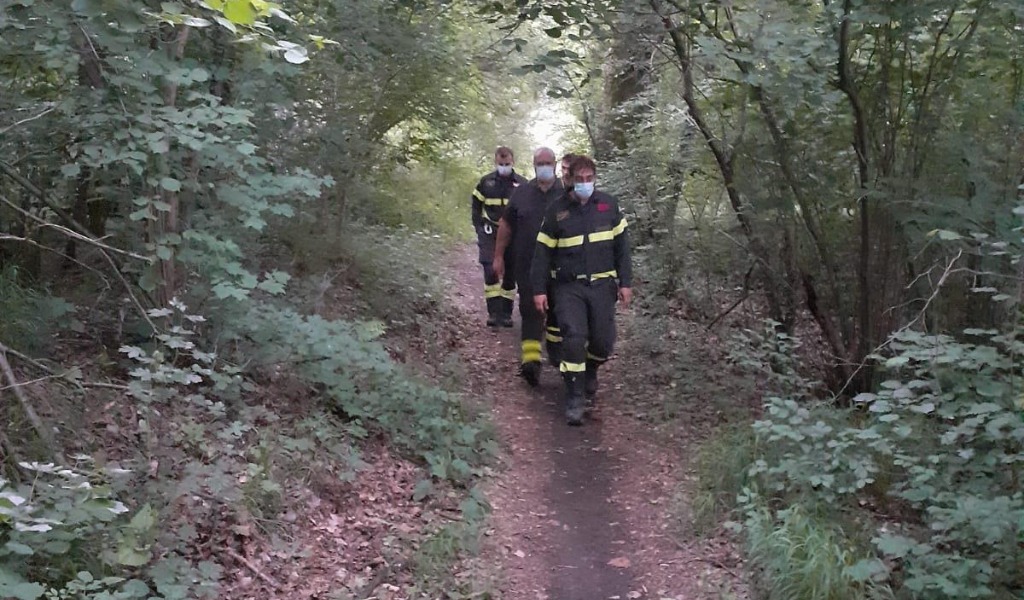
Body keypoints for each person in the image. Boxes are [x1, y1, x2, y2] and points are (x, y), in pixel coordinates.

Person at [531, 155, 633, 425]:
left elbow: (623, 248)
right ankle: (575, 396)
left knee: (603, 341)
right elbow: (541, 254)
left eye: (589, 179)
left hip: (602, 286)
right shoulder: (557, 210)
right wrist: (539, 290)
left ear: (595, 179)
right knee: (574, 338)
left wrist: (626, 282)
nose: (585, 184)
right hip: (568, 287)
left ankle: (590, 371)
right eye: (580, 180)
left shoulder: (608, 206)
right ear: (570, 181)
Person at [493, 147, 564, 387]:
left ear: (554, 164)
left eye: (547, 162)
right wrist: (499, 256)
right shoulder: (521, 193)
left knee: (557, 311)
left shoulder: (567, 193)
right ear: (533, 165)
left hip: (561, 266)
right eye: (539, 163)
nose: (543, 166)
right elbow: (506, 225)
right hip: (527, 264)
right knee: (529, 310)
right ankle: (531, 363)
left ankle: (556, 351)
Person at [472, 146, 527, 327]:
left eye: (507, 163)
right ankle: (493, 313)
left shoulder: (522, 183)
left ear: (513, 162)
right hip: (490, 232)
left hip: (514, 233)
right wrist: (479, 226)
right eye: (501, 163)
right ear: (495, 162)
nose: (504, 166)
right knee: (490, 270)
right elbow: (476, 205)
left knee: (510, 272)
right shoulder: (486, 182)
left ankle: (506, 313)